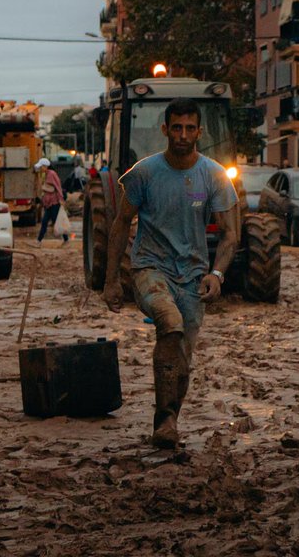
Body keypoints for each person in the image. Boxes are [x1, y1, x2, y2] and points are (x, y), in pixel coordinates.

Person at [101, 98, 239, 449]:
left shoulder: (213, 175)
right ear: (165, 130)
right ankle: (163, 421)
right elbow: (121, 223)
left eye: (189, 128)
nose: (182, 135)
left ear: (199, 131)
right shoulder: (144, 173)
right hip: (149, 268)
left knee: (182, 357)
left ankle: (169, 419)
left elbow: (230, 234)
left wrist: (217, 274)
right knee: (170, 321)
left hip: (193, 276)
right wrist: (112, 279)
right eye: (176, 128)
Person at [34, 158, 69, 246]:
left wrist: (61, 199)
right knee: (45, 222)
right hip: (48, 204)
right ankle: (39, 241)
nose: (40, 168)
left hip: (54, 203)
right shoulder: (45, 174)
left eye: (41, 167)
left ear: (45, 166)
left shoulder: (52, 174)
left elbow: (58, 187)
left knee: (56, 221)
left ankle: (66, 239)